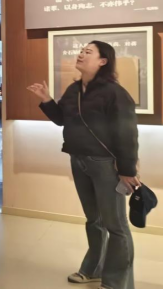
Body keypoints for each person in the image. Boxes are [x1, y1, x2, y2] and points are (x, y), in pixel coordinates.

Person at [28, 41, 139, 289]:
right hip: (78, 160)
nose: (81, 54)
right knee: (93, 220)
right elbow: (62, 120)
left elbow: (127, 133)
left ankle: (117, 282)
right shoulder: (74, 90)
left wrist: (127, 170)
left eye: (88, 52)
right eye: (81, 50)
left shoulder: (115, 93)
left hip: (106, 165)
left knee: (116, 225)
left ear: (103, 61)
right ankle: (93, 269)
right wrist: (46, 100)